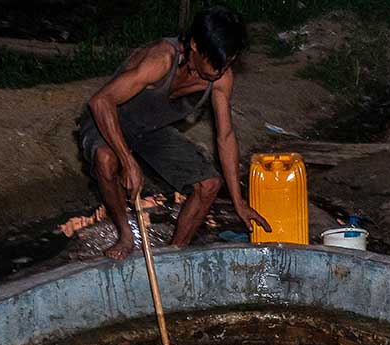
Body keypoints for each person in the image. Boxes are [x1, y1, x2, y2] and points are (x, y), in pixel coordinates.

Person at [79, 6, 271, 260]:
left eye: (225, 63)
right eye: (214, 61)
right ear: (194, 44)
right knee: (107, 159)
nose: (219, 71)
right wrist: (128, 161)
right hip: (107, 121)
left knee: (210, 184)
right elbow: (100, 102)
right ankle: (125, 235)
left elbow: (225, 137)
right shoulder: (160, 60)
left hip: (149, 130)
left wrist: (239, 202)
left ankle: (173, 255)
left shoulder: (222, 78)